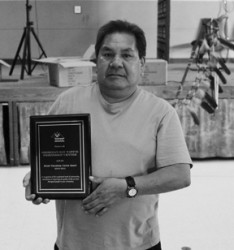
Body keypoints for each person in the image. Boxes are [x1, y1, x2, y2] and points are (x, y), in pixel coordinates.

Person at [23, 20, 192, 250]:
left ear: (141, 63)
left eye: (127, 55)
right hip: (73, 243)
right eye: (107, 54)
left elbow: (180, 174)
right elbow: (45, 157)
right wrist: (38, 180)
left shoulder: (160, 112)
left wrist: (127, 187)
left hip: (137, 244)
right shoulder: (68, 102)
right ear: (96, 61)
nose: (116, 63)